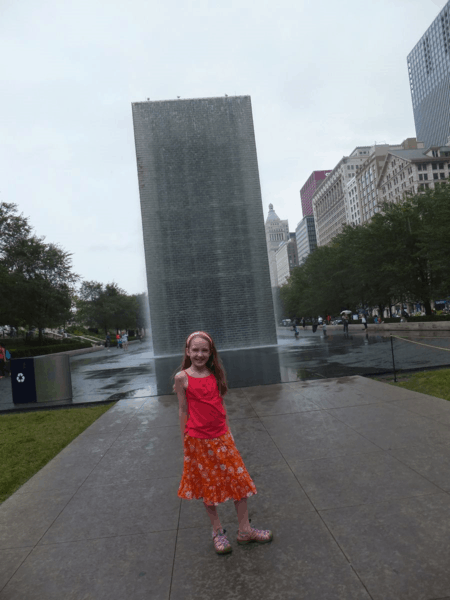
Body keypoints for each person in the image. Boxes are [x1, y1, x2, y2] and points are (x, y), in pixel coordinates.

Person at [174, 331, 273, 555]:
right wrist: (184, 442)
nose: (199, 354)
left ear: (211, 353)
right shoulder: (182, 378)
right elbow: (182, 410)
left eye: (204, 350)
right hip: (198, 440)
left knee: (239, 481)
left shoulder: (215, 374)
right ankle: (218, 531)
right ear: (188, 352)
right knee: (208, 487)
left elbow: (220, 405)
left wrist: (229, 433)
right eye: (195, 350)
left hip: (222, 437)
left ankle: (245, 530)